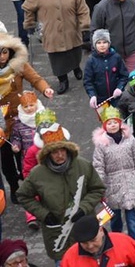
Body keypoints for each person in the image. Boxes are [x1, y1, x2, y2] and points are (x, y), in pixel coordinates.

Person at [17, 113, 106, 264]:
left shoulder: (83, 165)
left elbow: (98, 189)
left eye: (62, 150)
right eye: (54, 152)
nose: (60, 155)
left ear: (67, 149)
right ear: (47, 153)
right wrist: (43, 214)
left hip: (85, 231)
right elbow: (23, 196)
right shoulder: (38, 173)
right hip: (57, 233)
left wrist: (84, 208)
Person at [0, 32, 53, 206]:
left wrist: (45, 89)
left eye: (5, 52)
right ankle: (14, 187)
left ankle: (28, 186)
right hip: (2, 125)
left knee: (25, 157)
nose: (2, 57)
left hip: (22, 120)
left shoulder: (19, 65)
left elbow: (36, 79)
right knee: (6, 158)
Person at [23, 0, 90, 95]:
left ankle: (76, 67)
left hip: (71, 29)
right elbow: (28, 9)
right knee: (56, 58)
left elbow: (82, 9)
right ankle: (63, 79)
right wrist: (29, 24)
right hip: (51, 31)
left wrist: (85, 25)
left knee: (75, 52)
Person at [92, 106, 135, 243]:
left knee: (132, 219)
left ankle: (134, 244)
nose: (112, 125)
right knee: (115, 219)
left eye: (115, 122)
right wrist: (99, 188)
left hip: (130, 183)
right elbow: (98, 168)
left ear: (120, 123)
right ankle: (117, 242)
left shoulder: (130, 140)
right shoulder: (101, 145)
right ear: (104, 126)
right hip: (111, 186)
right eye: (109, 123)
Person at [9, 92, 45, 229]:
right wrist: (16, 145)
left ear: (37, 103)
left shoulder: (44, 117)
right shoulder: (19, 123)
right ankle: (32, 216)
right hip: (28, 160)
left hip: (45, 158)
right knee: (30, 186)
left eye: (31, 105)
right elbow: (16, 137)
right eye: (26, 106)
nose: (29, 108)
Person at [61, 214, 135, 266]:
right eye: (84, 243)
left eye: (93, 240)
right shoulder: (69, 259)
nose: (90, 246)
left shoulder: (125, 244)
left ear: (101, 230)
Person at [83, 28, 128, 109]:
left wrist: (119, 88)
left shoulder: (116, 57)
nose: (102, 45)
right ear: (94, 45)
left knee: (119, 118)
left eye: (104, 42)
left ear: (109, 43)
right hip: (101, 100)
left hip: (117, 98)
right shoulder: (91, 61)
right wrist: (92, 95)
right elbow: (88, 82)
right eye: (99, 43)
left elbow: (124, 75)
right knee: (106, 121)